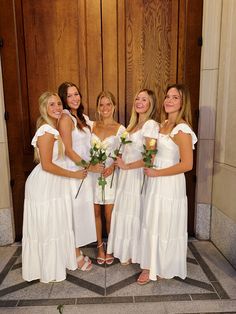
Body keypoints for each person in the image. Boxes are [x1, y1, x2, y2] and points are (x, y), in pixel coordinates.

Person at [22, 91, 87, 283]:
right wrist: (74, 174)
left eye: (59, 104)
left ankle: (55, 263)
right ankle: (47, 269)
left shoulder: (53, 128)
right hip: (44, 184)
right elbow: (47, 165)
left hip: (53, 183)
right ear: (44, 108)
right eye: (52, 105)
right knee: (47, 227)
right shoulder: (46, 130)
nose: (57, 108)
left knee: (54, 225)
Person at [138, 84, 197, 285]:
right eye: (168, 96)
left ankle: (162, 265)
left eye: (175, 98)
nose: (169, 101)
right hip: (154, 182)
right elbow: (152, 153)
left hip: (170, 183)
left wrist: (157, 172)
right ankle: (149, 264)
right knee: (152, 220)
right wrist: (148, 158)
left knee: (165, 224)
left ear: (183, 103)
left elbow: (187, 164)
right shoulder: (161, 124)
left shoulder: (182, 129)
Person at [107, 88, 159, 265]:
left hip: (137, 175)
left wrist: (127, 165)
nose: (139, 102)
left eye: (144, 100)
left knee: (136, 212)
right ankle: (126, 251)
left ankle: (136, 252)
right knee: (126, 211)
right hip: (125, 176)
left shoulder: (151, 125)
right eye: (137, 98)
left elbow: (150, 157)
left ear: (151, 104)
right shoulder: (131, 126)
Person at [58, 82, 103, 271]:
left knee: (82, 212)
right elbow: (68, 150)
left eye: (76, 94)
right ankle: (75, 254)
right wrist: (89, 166)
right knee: (73, 213)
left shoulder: (82, 118)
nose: (75, 98)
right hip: (74, 172)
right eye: (69, 96)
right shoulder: (66, 118)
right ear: (63, 99)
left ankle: (75, 249)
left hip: (86, 173)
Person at [91, 91, 126, 265]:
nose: (105, 108)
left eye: (108, 104)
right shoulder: (91, 126)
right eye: (101, 104)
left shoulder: (121, 129)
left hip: (111, 176)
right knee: (95, 212)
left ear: (114, 107)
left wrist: (113, 166)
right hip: (93, 176)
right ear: (98, 107)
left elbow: (124, 153)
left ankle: (111, 247)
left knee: (109, 214)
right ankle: (99, 247)